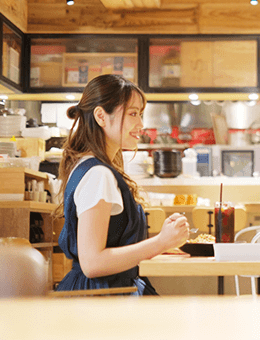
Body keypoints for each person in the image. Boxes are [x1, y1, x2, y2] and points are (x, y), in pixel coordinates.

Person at [55, 74, 189, 295]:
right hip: (99, 299)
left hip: (97, 292)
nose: (141, 124)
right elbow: (92, 263)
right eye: (133, 114)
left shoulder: (89, 166)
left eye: (141, 114)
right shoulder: (98, 174)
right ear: (101, 116)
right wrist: (161, 242)